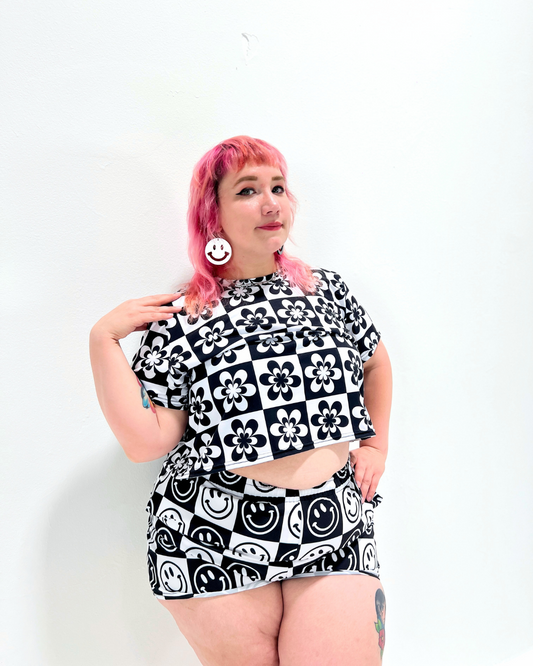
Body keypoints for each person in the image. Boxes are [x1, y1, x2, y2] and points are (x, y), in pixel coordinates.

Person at [90, 135, 392, 666]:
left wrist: (375, 447)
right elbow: (148, 442)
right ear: (213, 214)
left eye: (278, 187)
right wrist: (103, 340)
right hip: (213, 535)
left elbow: (376, 364)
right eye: (248, 190)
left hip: (335, 525)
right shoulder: (183, 316)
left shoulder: (328, 292)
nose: (271, 203)